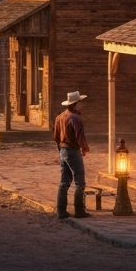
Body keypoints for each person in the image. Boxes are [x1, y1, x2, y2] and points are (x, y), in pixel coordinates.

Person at [52, 91, 92, 220]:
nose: (82, 106)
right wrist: (84, 148)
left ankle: (61, 211)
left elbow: (56, 137)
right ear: (75, 105)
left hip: (63, 150)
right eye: (80, 103)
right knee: (80, 182)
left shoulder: (59, 117)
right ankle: (79, 210)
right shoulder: (75, 118)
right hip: (73, 150)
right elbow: (80, 136)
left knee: (64, 181)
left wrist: (61, 150)